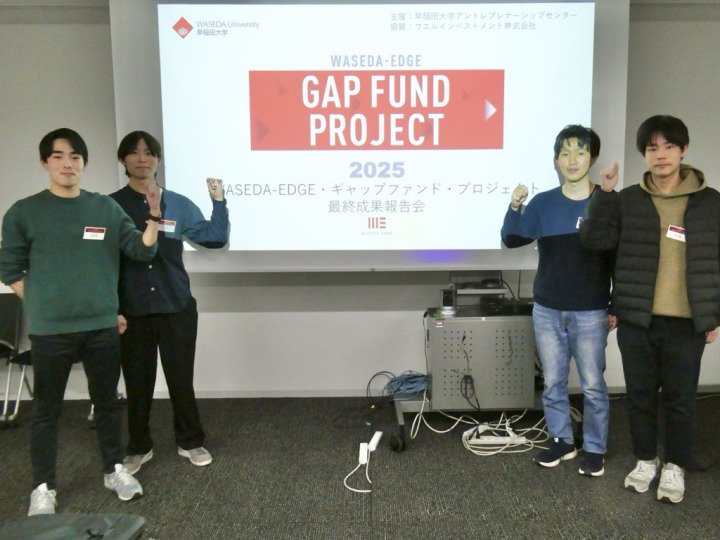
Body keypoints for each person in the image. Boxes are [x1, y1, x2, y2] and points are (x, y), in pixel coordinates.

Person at [0, 128, 160, 516]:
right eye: (58, 156)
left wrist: (154, 216)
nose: (67, 163)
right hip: (50, 330)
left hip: (101, 326)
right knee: (45, 411)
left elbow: (140, 250)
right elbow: (10, 270)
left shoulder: (104, 208)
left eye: (75, 157)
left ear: (85, 164)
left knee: (107, 403)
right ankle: (43, 486)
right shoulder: (24, 212)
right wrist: (43, 304)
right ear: (45, 163)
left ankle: (113, 469)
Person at [579, 115, 720, 503]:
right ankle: (645, 460)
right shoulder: (627, 199)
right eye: (652, 148)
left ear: (683, 150)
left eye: (669, 146)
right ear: (644, 153)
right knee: (640, 397)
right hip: (637, 318)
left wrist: (714, 314)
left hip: (687, 321)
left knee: (681, 399)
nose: (661, 155)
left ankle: (675, 465)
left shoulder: (710, 202)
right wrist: (604, 195)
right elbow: (594, 242)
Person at [110, 131, 229, 474]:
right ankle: (138, 447)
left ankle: (190, 441)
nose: (142, 159)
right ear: (123, 160)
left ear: (158, 160)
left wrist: (219, 202)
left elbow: (215, 238)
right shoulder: (111, 205)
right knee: (137, 383)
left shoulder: (177, 203)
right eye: (134, 153)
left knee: (180, 380)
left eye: (149, 152)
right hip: (132, 310)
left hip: (176, 304)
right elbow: (104, 259)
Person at [501, 125, 615, 477]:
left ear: (592, 158)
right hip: (547, 309)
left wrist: (616, 306)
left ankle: (595, 448)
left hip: (591, 310)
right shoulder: (543, 203)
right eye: (565, 153)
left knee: (593, 385)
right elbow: (511, 239)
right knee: (553, 382)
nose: (572, 160)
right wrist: (514, 206)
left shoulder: (607, 202)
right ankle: (562, 441)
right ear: (556, 160)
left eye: (580, 152)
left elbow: (619, 258)